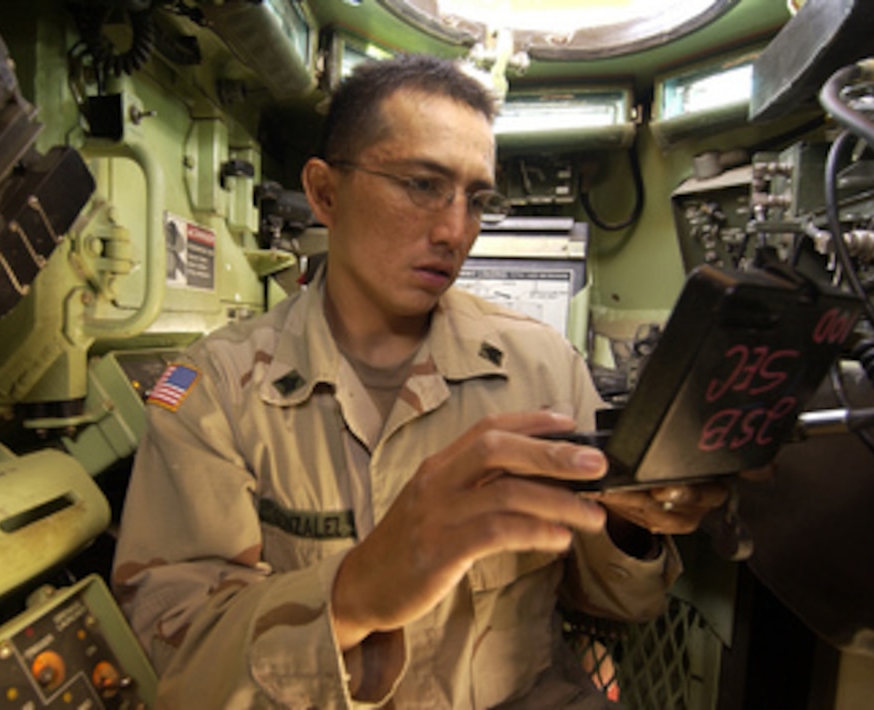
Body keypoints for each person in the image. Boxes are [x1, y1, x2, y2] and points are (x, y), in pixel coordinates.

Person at [113, 53, 724, 708]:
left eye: (477, 199)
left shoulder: (545, 366)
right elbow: (176, 663)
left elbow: (619, 605)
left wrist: (631, 523)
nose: (455, 231)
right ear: (325, 193)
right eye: (422, 185)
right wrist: (354, 592)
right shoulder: (216, 391)